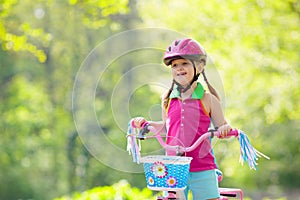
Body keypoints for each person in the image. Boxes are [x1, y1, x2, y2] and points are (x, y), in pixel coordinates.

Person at [133, 38, 232, 200]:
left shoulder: (208, 99)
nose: (179, 68)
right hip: (173, 167)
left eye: (184, 63)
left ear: (199, 66)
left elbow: (223, 127)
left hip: (202, 165)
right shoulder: (167, 98)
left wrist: (224, 129)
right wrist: (147, 124)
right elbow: (167, 128)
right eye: (174, 65)